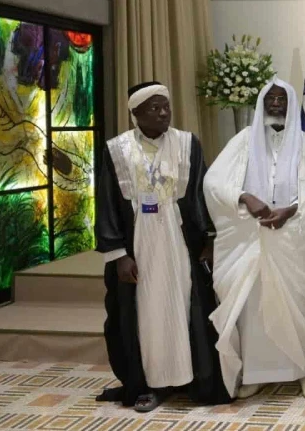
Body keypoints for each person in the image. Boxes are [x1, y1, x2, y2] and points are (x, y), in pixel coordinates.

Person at [95, 81, 229, 411]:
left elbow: (202, 191)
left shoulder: (187, 144)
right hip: (139, 243)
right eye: (154, 108)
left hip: (180, 241)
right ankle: (147, 384)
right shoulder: (117, 149)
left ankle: (191, 379)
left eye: (166, 106)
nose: (163, 112)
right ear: (135, 113)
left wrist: (209, 238)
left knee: (186, 306)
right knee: (145, 315)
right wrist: (119, 255)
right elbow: (108, 202)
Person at [205, 79, 305, 401]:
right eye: (270, 99)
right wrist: (245, 197)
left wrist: (292, 210)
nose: (276, 105)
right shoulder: (243, 141)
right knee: (254, 309)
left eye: (282, 99)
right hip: (252, 241)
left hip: (294, 245)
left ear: (291, 105)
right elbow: (213, 182)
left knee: (299, 309)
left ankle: (304, 371)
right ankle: (256, 372)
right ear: (262, 104)